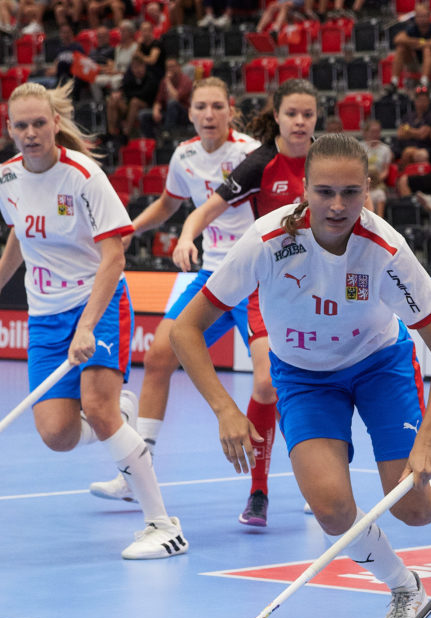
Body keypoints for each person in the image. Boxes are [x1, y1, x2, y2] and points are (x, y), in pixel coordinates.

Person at [169, 134, 431, 618]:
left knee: (412, 506)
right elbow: (185, 329)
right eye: (324, 191)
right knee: (331, 509)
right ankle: (403, 587)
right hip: (304, 377)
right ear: (303, 189)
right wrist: (224, 409)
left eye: (350, 192)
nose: (336, 205)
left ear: (367, 190)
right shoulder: (267, 241)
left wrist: (429, 439)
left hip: (379, 366)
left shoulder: (386, 250)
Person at [0, 80, 187, 561]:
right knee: (57, 434)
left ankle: (162, 526)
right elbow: (20, 233)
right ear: (9, 129)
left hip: (98, 302)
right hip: (45, 315)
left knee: (98, 409)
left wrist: (87, 324)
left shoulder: (84, 176)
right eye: (21, 126)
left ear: (55, 123)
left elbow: (115, 256)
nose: (31, 133)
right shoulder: (5, 178)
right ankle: (121, 419)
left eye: (39, 123)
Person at [89, 77, 260, 503]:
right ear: (190, 113)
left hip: (256, 279)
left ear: (230, 110)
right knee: (159, 357)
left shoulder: (251, 153)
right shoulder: (184, 156)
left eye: (217, 106)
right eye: (201, 107)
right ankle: (138, 473)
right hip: (211, 277)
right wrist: (129, 229)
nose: (209, 114)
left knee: (277, 382)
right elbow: (169, 205)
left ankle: (316, 476)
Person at [165, 77, 317, 526]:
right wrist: (186, 237)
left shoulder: (328, 158)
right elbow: (205, 209)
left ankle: (320, 477)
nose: (300, 121)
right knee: (266, 384)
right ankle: (258, 491)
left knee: (320, 382)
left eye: (308, 114)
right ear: (277, 115)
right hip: (270, 288)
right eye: (291, 113)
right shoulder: (259, 164)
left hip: (320, 289)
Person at [393, 2, 431, 90]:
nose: (421, 19)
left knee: (427, 49)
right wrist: (418, 42)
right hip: (418, 64)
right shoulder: (412, 28)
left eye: (424, 16)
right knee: (401, 47)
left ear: (429, 16)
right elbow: (397, 39)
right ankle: (394, 82)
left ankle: (424, 82)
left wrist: (416, 43)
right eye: (419, 16)